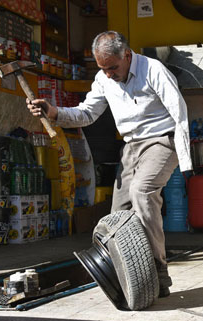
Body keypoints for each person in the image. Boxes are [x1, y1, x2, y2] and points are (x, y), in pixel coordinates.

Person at [27, 31, 192, 298]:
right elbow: (86, 113)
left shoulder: (154, 70)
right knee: (118, 212)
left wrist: (186, 162)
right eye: (103, 69)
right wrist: (53, 112)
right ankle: (129, 271)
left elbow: (180, 113)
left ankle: (159, 271)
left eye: (112, 67)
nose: (108, 74)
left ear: (127, 55)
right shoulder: (104, 79)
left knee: (142, 192)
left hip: (163, 141)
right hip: (131, 147)